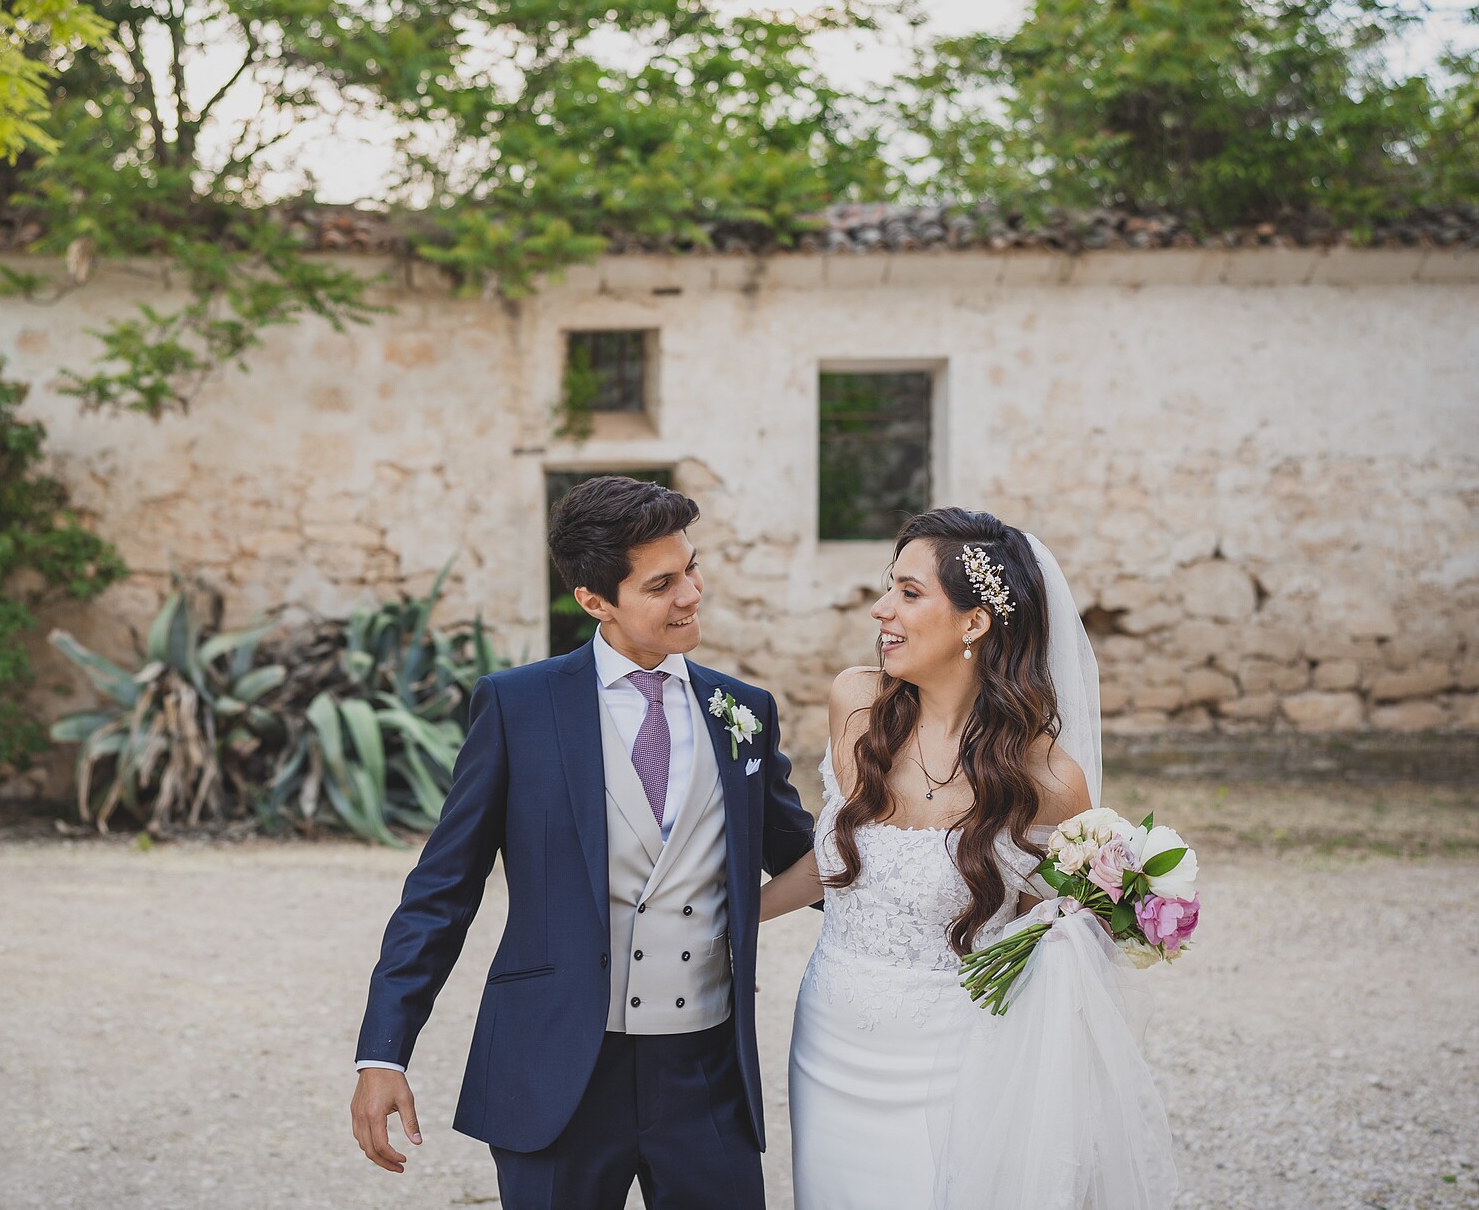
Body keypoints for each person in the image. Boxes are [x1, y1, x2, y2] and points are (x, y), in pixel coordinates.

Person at [349, 475, 818, 1209]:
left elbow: (809, 858)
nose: (692, 594)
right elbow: (442, 891)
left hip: (705, 1071)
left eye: (691, 568)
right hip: (554, 1066)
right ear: (596, 601)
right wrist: (383, 1052)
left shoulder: (744, 710)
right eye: (661, 584)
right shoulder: (517, 705)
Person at [760, 506, 1175, 1210]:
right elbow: (838, 863)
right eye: (888, 587)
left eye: (909, 593)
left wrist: (1112, 909)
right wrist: (726, 919)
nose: (881, 609)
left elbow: (1053, 936)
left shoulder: (1048, 780)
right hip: (830, 1034)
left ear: (974, 622)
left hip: (959, 1054)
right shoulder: (856, 705)